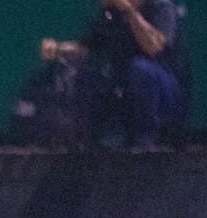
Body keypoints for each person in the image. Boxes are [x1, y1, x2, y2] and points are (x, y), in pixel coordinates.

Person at [41, 0, 189, 149]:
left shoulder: (161, 6)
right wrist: (58, 48)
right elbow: (84, 49)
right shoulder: (110, 13)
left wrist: (130, 12)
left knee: (140, 69)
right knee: (88, 75)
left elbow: (153, 46)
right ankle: (90, 143)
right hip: (123, 86)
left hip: (164, 92)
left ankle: (146, 141)